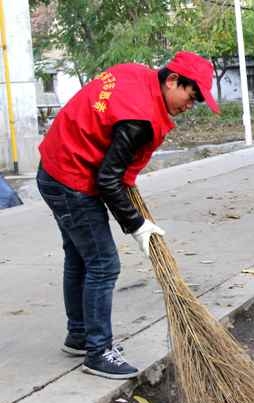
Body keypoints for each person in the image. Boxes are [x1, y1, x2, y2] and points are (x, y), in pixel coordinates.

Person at [37, 51, 219, 380]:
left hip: (55, 164)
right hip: (70, 178)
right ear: (173, 80)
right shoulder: (140, 118)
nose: (188, 106)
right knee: (104, 264)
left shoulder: (135, 72)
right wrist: (138, 225)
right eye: (190, 97)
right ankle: (98, 351)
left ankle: (79, 335)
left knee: (80, 257)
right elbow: (108, 180)